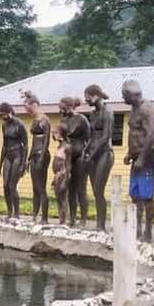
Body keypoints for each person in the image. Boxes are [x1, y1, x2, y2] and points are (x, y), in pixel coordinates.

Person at [122, 80, 154, 243]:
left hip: (148, 156)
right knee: (135, 194)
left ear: (132, 95)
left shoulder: (147, 109)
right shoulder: (133, 108)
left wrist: (143, 157)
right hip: (136, 156)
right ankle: (136, 229)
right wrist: (129, 153)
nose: (123, 98)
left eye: (124, 95)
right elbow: (134, 133)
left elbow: (151, 134)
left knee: (146, 195)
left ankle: (148, 231)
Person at [84, 84, 115, 231]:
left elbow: (105, 137)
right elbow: (91, 136)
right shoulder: (92, 114)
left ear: (96, 96)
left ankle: (101, 225)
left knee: (98, 190)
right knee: (95, 192)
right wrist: (86, 150)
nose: (86, 100)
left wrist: (93, 154)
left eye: (88, 97)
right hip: (92, 153)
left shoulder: (107, 112)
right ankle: (98, 223)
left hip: (104, 153)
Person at [58, 97, 90, 227]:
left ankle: (83, 219)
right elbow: (63, 139)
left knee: (81, 189)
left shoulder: (82, 119)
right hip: (68, 157)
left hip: (81, 156)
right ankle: (72, 218)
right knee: (70, 189)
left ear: (69, 106)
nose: (60, 111)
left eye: (62, 108)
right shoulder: (63, 121)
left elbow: (89, 139)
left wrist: (85, 154)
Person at [22, 91, 50, 224]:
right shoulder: (35, 120)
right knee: (35, 188)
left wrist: (41, 157)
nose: (27, 112)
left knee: (41, 187)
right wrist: (29, 158)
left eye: (28, 109)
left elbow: (46, 140)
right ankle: (34, 216)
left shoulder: (44, 119)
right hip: (34, 154)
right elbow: (34, 141)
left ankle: (44, 218)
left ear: (34, 105)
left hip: (41, 155)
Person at [0, 102, 28, 219]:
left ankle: (17, 213)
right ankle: (9, 212)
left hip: (17, 155)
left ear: (9, 112)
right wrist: (0, 163)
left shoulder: (19, 125)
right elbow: (4, 145)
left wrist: (23, 163)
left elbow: (25, 145)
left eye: (4, 114)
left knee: (12, 185)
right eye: (0, 115)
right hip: (8, 155)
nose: (2, 117)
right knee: (5, 185)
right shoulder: (4, 125)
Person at [52, 123, 73, 225]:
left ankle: (64, 220)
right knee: (58, 197)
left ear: (62, 133)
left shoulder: (67, 147)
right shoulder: (59, 146)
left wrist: (65, 179)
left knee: (63, 197)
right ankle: (61, 219)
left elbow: (68, 165)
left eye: (56, 132)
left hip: (63, 174)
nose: (54, 134)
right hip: (57, 175)